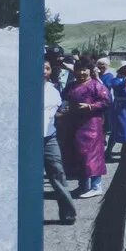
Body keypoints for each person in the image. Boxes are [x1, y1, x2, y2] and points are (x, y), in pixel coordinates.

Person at [64, 57, 108, 198]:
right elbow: (63, 99)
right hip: (74, 124)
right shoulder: (71, 85)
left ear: (90, 71)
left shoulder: (96, 85)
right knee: (78, 156)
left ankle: (96, 186)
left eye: (84, 69)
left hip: (91, 126)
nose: (81, 72)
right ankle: (83, 186)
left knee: (92, 156)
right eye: (79, 69)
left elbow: (107, 101)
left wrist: (90, 106)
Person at [42, 58, 78, 225]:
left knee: (58, 174)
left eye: (47, 68)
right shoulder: (26, 89)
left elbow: (54, 113)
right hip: (29, 141)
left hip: (49, 139)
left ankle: (68, 214)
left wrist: (65, 113)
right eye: (41, 68)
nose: (44, 71)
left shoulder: (53, 90)